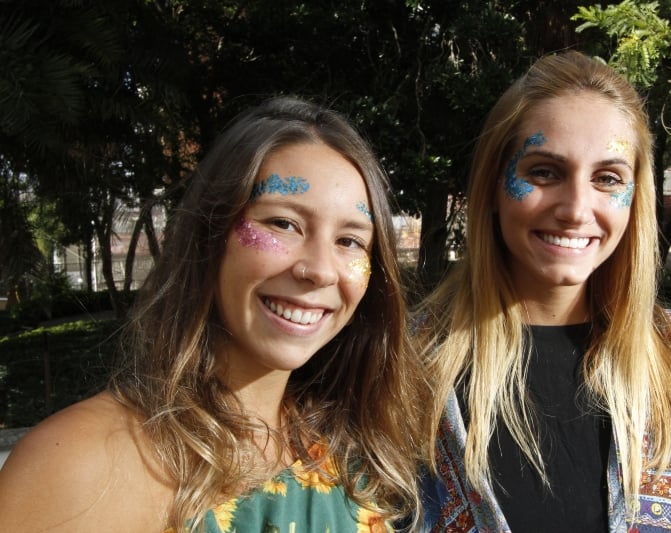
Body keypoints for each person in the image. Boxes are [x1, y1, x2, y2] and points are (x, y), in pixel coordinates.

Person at [0, 97, 432, 532]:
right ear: (209, 236)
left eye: (350, 241)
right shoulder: (81, 464)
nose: (320, 269)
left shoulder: (354, 454)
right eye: (283, 224)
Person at [415, 51, 671, 532]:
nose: (575, 209)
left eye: (607, 178)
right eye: (544, 172)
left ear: (635, 198)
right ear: (492, 185)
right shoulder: (411, 364)